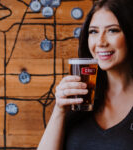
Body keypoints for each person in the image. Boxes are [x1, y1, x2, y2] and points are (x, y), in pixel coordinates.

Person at [37, 0, 133, 149]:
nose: (100, 42)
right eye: (93, 31)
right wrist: (59, 110)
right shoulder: (79, 96)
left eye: (112, 30)